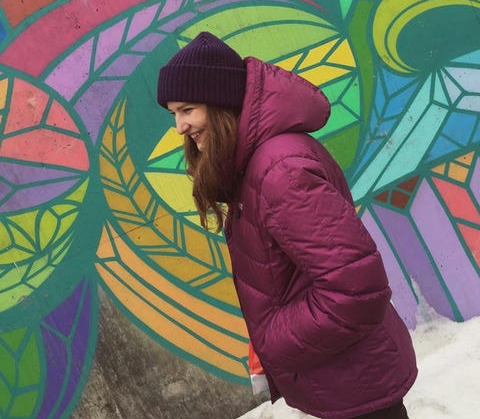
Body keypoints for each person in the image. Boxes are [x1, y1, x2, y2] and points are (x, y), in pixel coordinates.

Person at [156, 31, 417, 419]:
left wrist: (273, 341)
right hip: (341, 377)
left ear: (221, 102)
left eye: (188, 109)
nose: (180, 126)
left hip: (356, 381)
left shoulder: (281, 171)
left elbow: (356, 289)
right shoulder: (256, 166)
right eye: (174, 113)